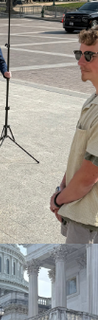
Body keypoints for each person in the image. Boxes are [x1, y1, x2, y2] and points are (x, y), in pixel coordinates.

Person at [50, 26, 98, 242]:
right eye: (79, 54)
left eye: (89, 55)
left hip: (88, 220)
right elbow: (80, 155)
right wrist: (62, 188)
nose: (80, 62)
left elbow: (89, 176)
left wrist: (59, 200)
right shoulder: (93, 100)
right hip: (78, 209)